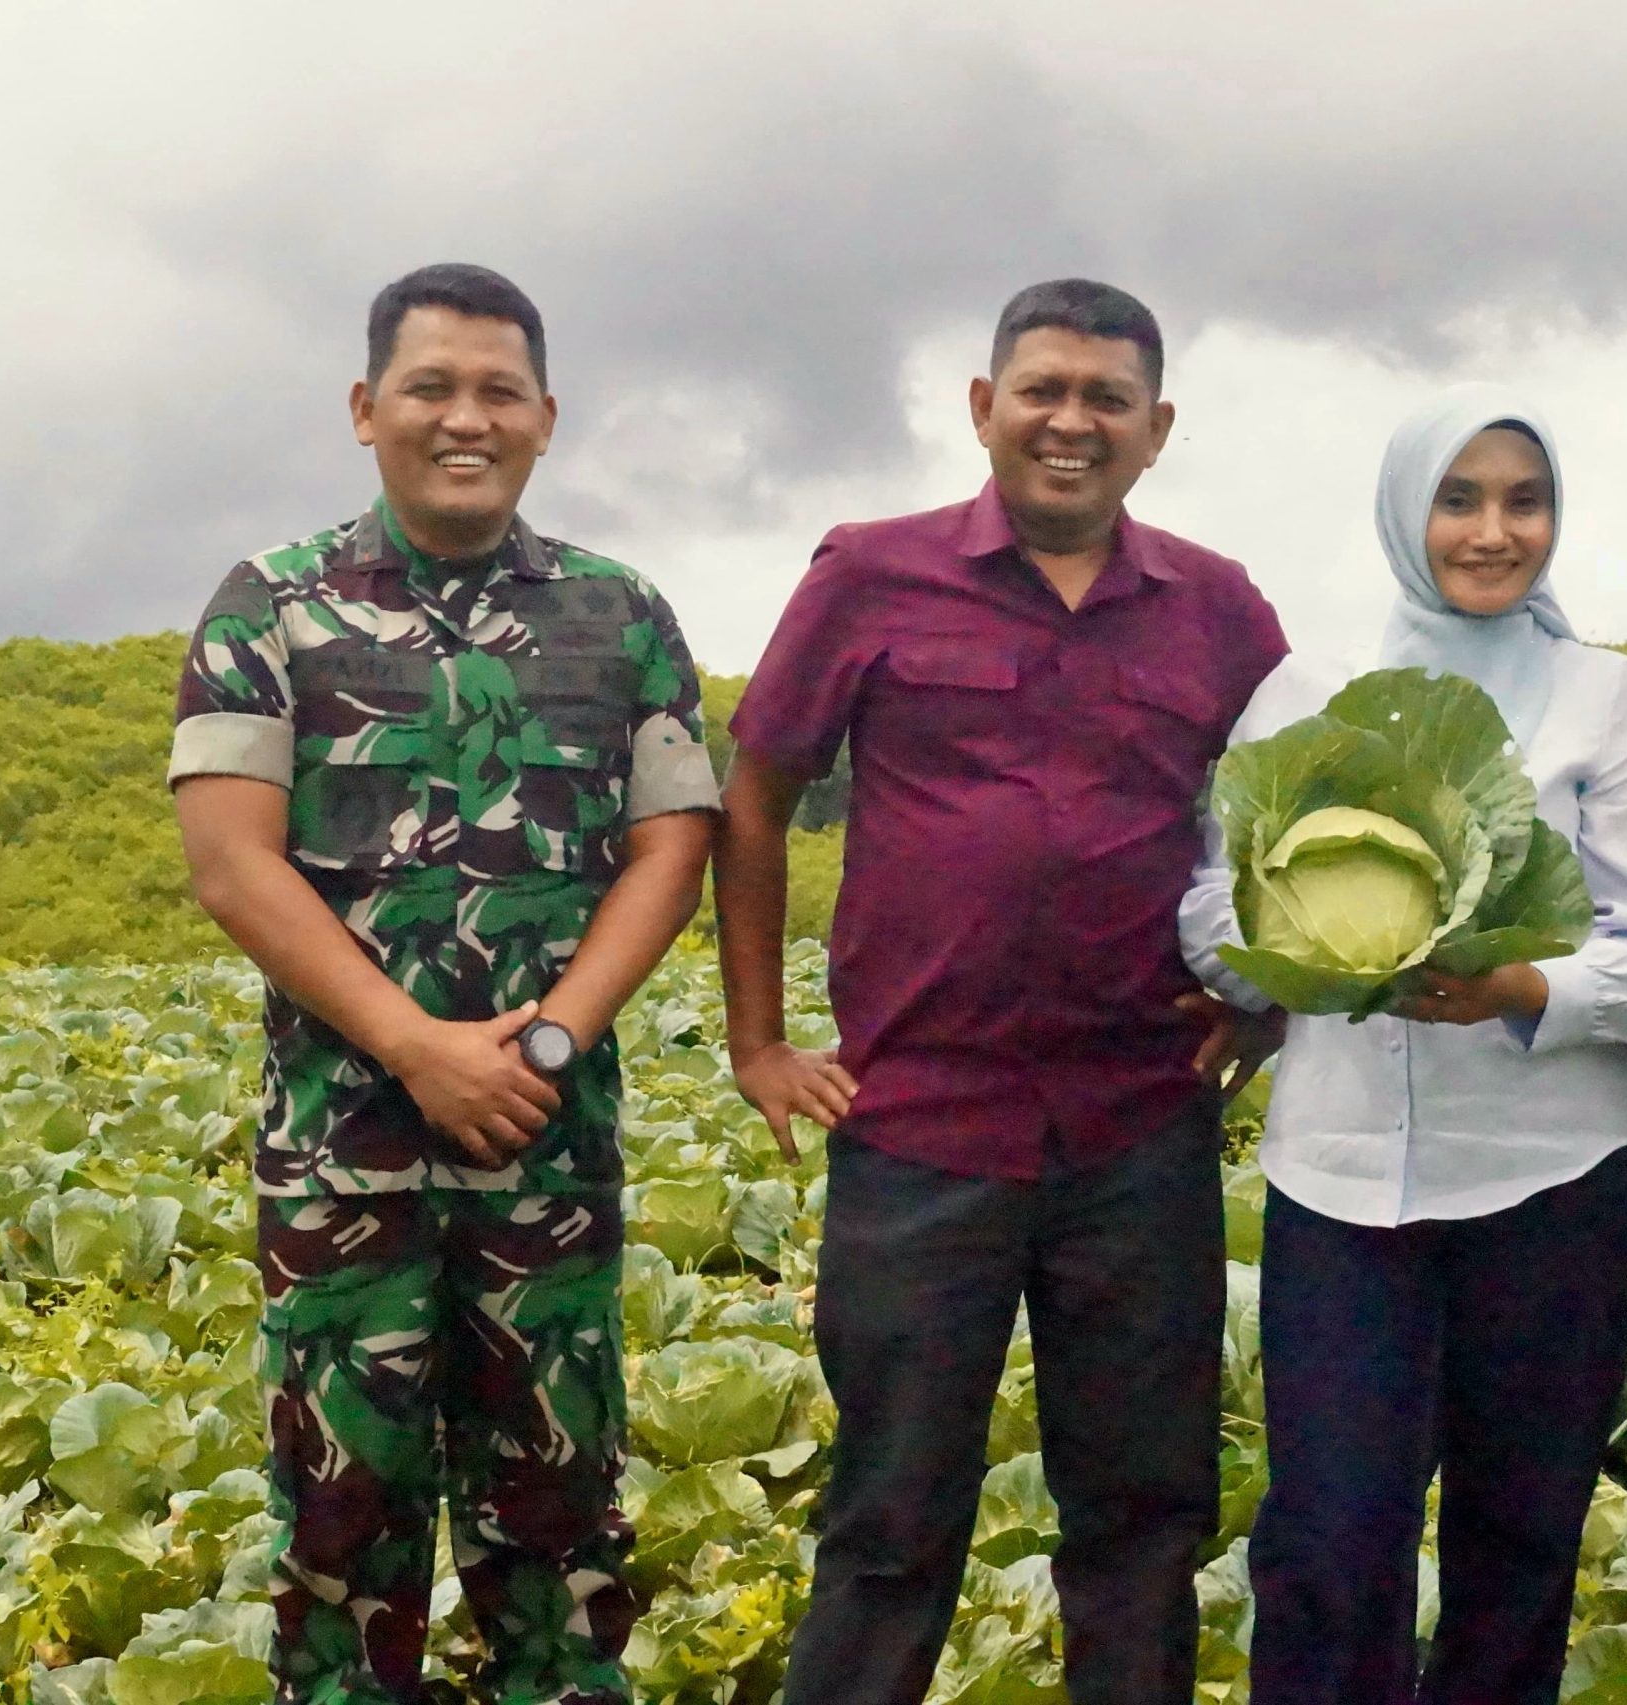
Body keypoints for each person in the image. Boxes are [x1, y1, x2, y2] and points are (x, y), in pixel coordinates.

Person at [715, 278, 1290, 1705]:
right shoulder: (868, 572)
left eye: (1107, 399)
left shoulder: (1219, 609)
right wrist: (756, 1039)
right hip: (919, 1126)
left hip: (1141, 1130)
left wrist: (1268, 1001)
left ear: (1156, 430)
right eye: (1043, 390)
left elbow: (1294, 812)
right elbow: (757, 789)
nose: (1071, 421)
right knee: (890, 1521)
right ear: (984, 408)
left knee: (1144, 1520)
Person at [170, 263, 716, 1705]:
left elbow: (672, 848)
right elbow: (234, 865)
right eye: (430, 387)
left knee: (563, 1525)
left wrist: (545, 1040)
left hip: (551, 1152)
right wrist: (417, 1046)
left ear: (546, 418)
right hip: (340, 1167)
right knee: (343, 1537)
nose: (464, 417)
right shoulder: (266, 610)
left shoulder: (626, 617)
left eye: (498, 391)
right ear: (367, 409)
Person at [1180, 385, 1627, 1703]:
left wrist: (1521, 981)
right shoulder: (1308, 688)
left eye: (1523, 500)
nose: (1491, 530)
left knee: (1517, 1544)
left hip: (1561, 1186)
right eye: (1458, 498)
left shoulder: (1606, 698)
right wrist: (1298, 952)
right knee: (1332, 1539)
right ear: (1409, 513)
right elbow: (1208, 896)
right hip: (1342, 1185)